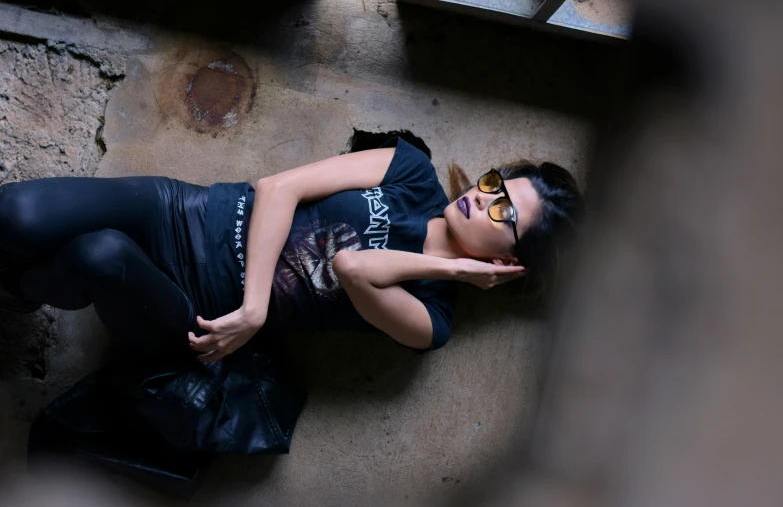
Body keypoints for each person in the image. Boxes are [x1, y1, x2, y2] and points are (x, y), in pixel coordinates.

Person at [0, 137, 583, 362]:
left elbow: (354, 268)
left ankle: (18, 291)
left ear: (508, 263)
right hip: (187, 212)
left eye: (504, 212)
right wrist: (258, 305)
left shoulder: (433, 319)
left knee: (98, 256)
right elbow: (280, 188)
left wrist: (449, 268)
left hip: (197, 309)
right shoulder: (411, 171)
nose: (482, 200)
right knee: (16, 214)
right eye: (493, 186)